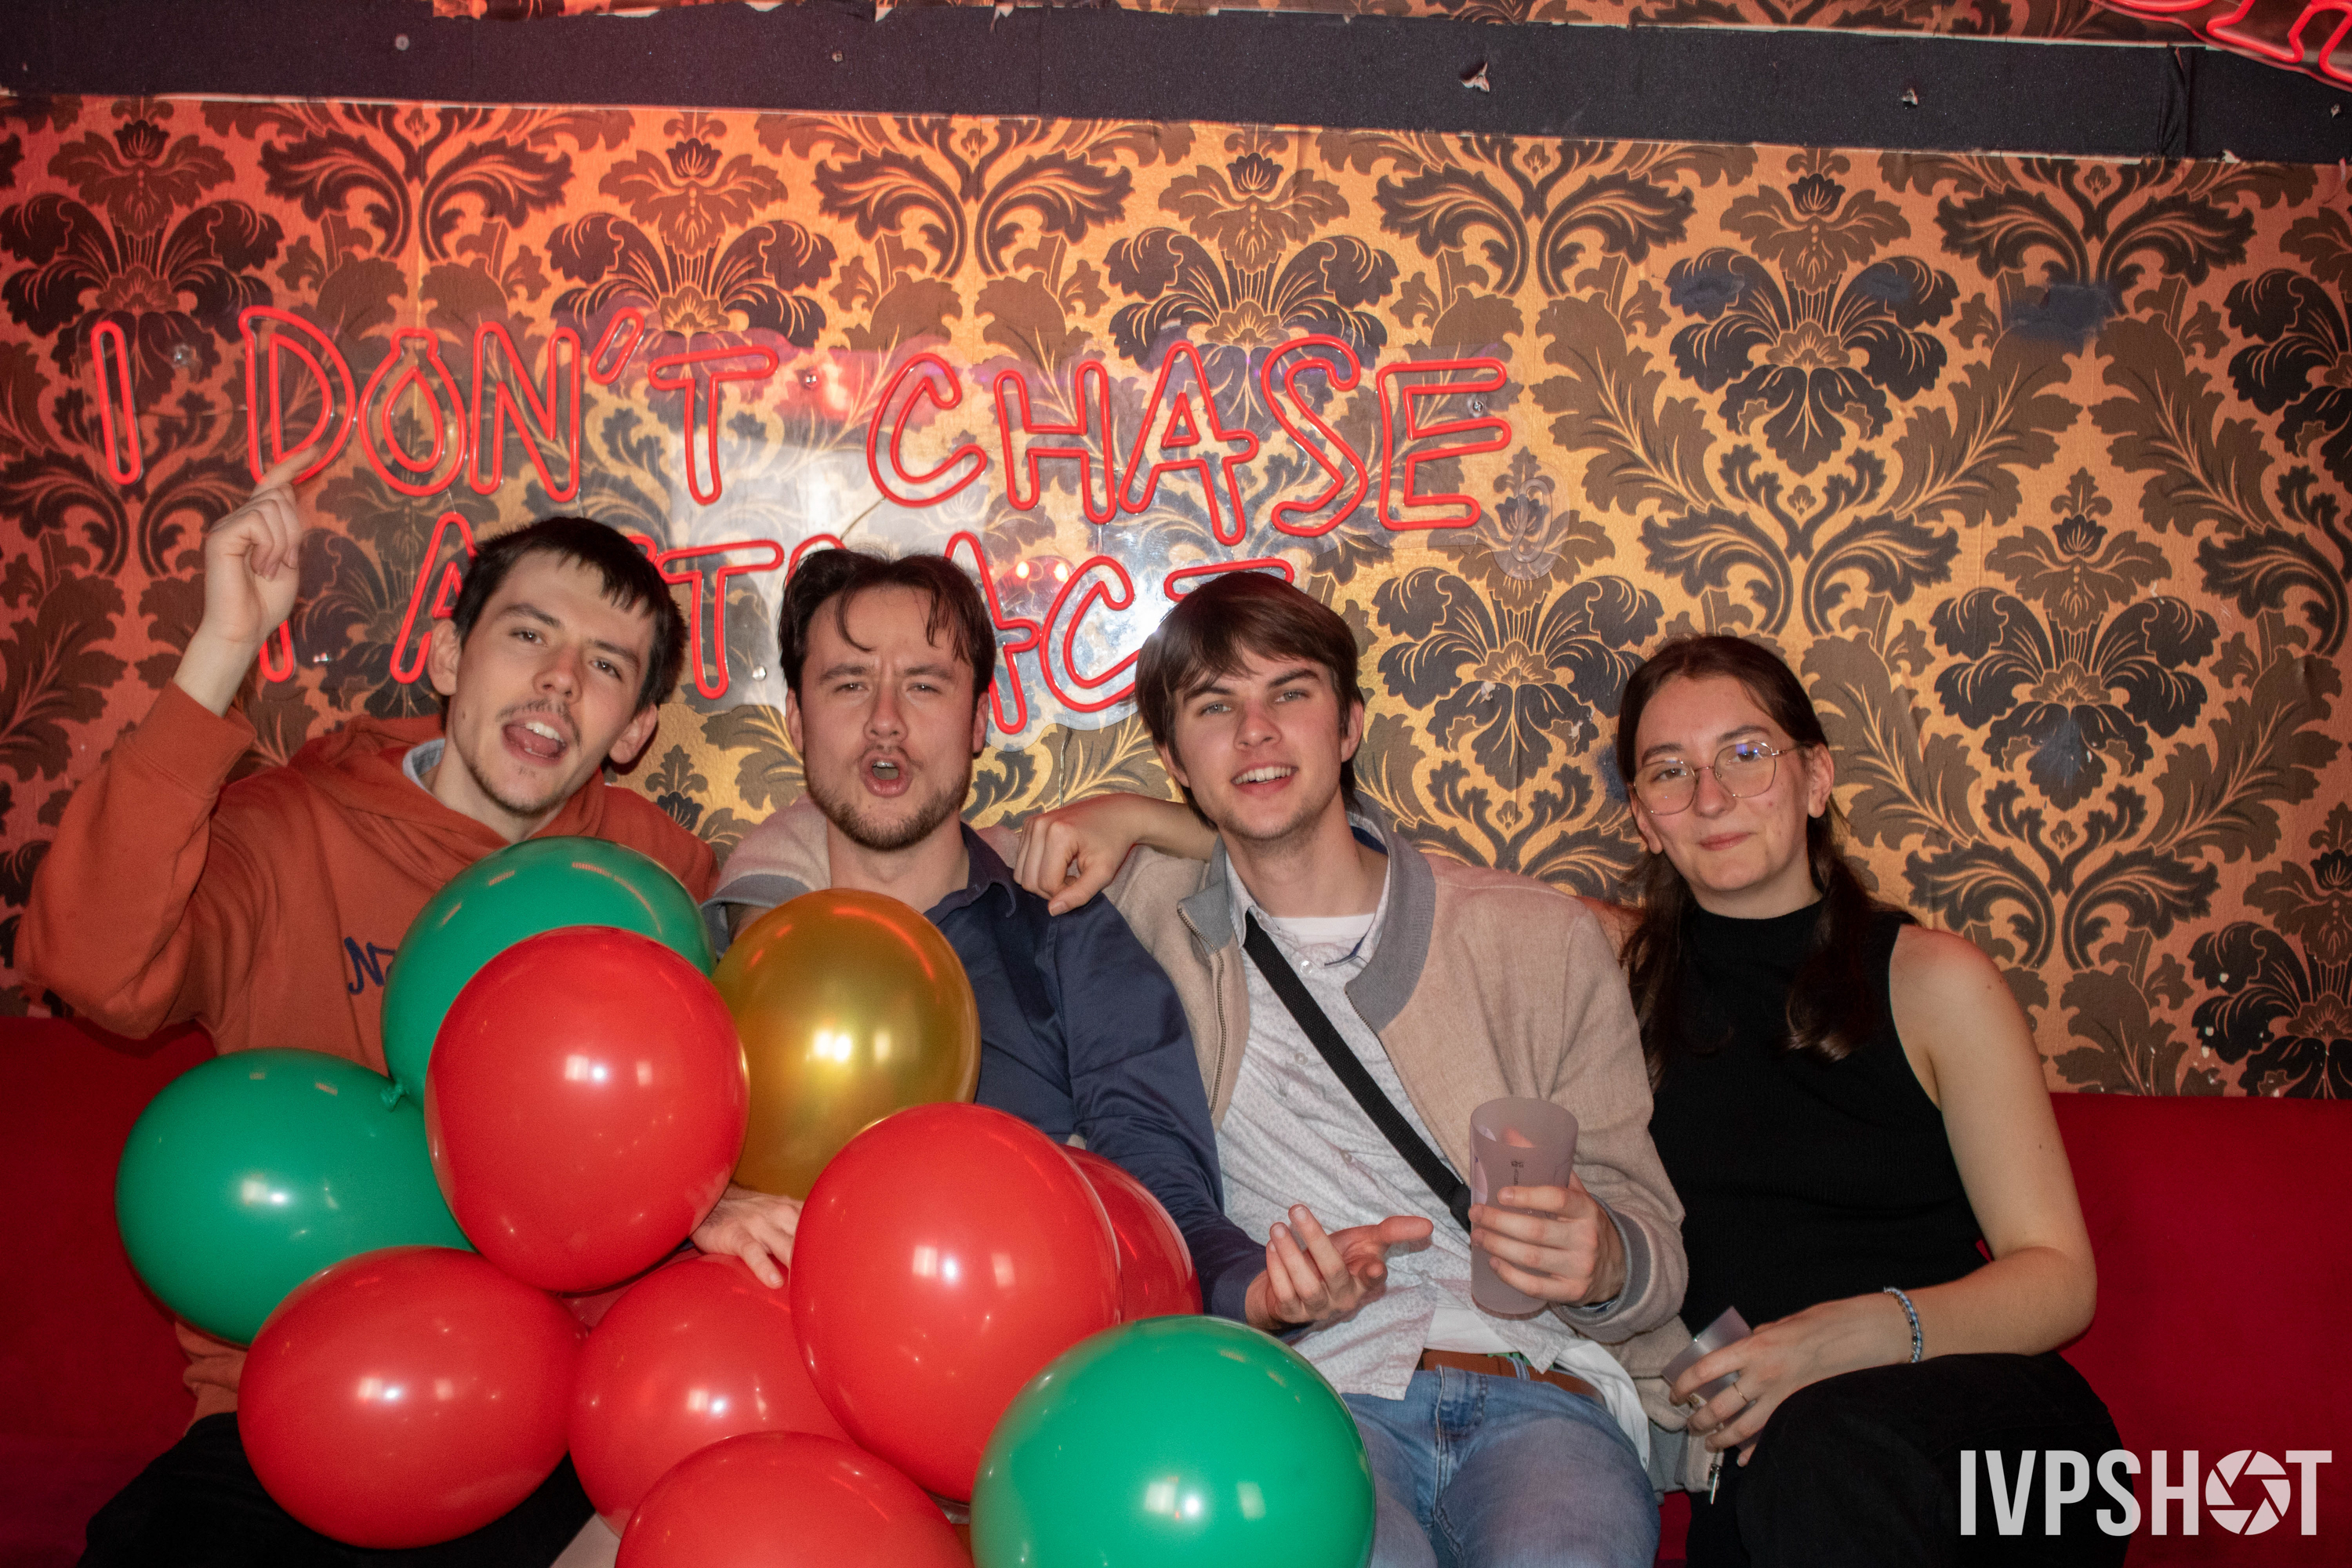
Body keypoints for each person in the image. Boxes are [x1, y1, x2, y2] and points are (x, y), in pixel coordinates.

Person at [20, 461, 715, 1567]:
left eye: (605, 665)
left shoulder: (653, 887)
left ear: (632, 728)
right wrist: (222, 650)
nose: (559, 681)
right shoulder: (289, 829)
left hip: (534, 1425)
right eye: (528, 635)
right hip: (287, 1409)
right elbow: (92, 966)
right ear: (446, 655)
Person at [1020, 571, 1684, 1568]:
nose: (1256, 731)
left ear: (1349, 725)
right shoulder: (1137, 920)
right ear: (1174, 759)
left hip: (1539, 1383)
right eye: (1214, 707)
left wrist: (1607, 1259)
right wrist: (1120, 815)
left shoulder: (1537, 938)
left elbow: (1654, 1245)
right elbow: (912, 842)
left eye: (1289, 692)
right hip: (1307, 1397)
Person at [1595, 633, 2120, 1568]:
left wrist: (1848, 1335)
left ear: (1816, 777)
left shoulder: (1933, 980)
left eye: (1745, 753)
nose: (1710, 796)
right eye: (1670, 771)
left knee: (1818, 1459)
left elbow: (2059, 1278)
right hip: (1777, 1466)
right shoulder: (1612, 983)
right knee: (1783, 1484)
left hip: (1988, 1436)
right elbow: (1422, 898)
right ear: (1644, 817)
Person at [694, 547, 1261, 1308]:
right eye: (850, 683)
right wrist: (700, 1204)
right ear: (796, 718)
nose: (886, 720)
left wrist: (1256, 1289)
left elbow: (1161, 1192)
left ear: (978, 721)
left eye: (924, 685)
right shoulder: (726, 959)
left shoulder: (1062, 929)